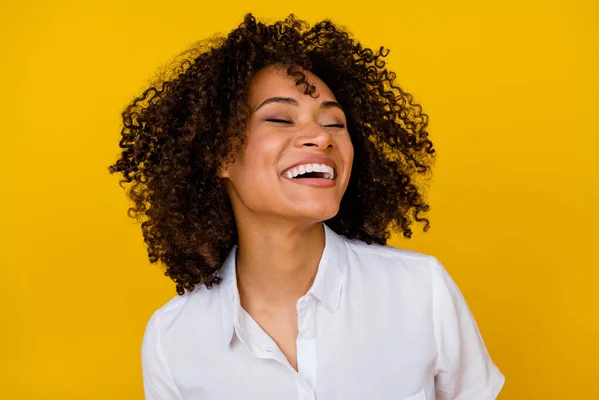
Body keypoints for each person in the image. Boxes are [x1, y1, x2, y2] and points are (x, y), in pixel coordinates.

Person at [108, 13, 505, 400]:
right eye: (280, 119)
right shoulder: (171, 340)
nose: (320, 137)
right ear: (220, 154)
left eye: (334, 123)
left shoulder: (422, 290)